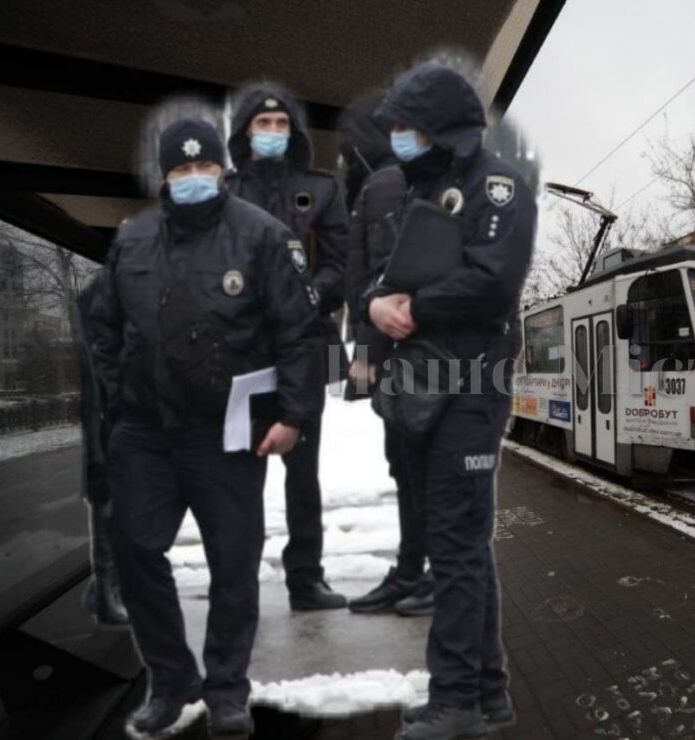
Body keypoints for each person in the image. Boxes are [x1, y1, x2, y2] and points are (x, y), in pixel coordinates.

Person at [88, 116, 324, 738]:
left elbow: (299, 334)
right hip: (146, 433)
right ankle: (171, 681)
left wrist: (293, 416)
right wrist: (121, 396)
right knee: (135, 549)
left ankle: (226, 688)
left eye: (204, 167)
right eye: (180, 169)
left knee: (233, 564)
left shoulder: (262, 236)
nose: (193, 178)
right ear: (164, 176)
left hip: (226, 434)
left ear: (223, 170)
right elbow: (105, 330)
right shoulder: (132, 241)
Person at [362, 62, 536, 740]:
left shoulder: (494, 187)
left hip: (470, 385)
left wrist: (412, 307)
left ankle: (455, 702)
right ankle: (487, 694)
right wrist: (378, 305)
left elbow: (494, 281)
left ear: (440, 126)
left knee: (457, 548)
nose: (399, 138)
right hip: (434, 384)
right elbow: (386, 279)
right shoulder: (428, 189)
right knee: (463, 544)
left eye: (407, 126)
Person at [225, 83, 350, 611]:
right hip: (242, 358)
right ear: (244, 132)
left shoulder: (321, 189)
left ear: (293, 133)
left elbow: (343, 262)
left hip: (303, 349)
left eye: (281, 125)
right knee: (239, 477)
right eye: (262, 124)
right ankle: (237, 585)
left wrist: (312, 294)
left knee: (303, 476)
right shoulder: (221, 191)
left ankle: (306, 579)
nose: (273, 133)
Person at [338, 94, 434, 618]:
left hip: (414, 355)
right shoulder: (379, 187)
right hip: (405, 355)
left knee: (417, 468)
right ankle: (412, 572)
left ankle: (424, 574)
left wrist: (367, 352)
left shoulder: (387, 185)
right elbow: (365, 280)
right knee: (408, 467)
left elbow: (381, 277)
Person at [74, 273, 129, 627]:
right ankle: (107, 595)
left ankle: (108, 589)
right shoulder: (98, 298)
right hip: (104, 425)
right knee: (109, 507)